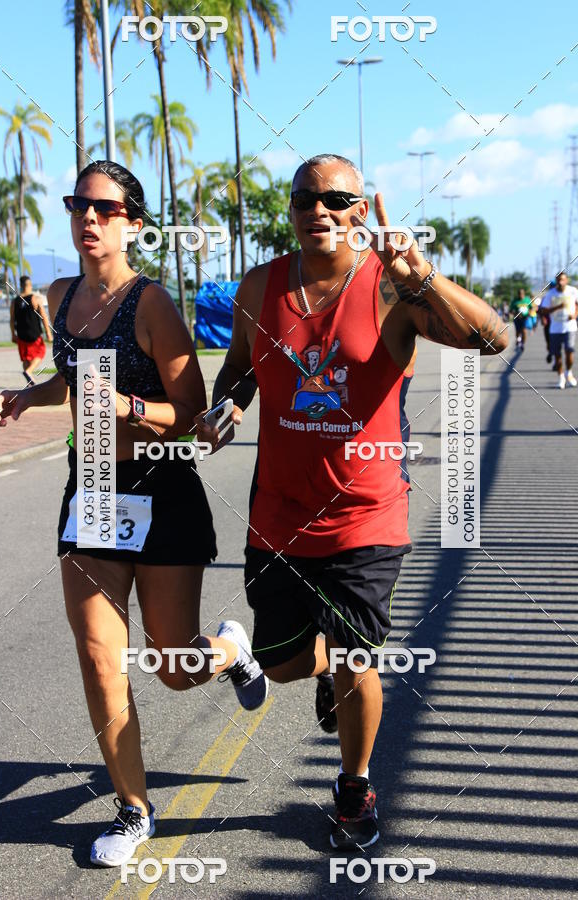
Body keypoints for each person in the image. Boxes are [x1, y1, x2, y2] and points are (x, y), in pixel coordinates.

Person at [196, 154, 508, 850]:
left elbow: (493, 338)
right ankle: (293, 662)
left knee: (357, 660)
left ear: (362, 210)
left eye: (337, 198)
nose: (320, 210)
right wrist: (227, 408)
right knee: (282, 663)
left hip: (366, 517)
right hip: (276, 515)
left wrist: (420, 274)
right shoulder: (261, 285)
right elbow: (239, 370)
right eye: (306, 198)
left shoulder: (393, 289)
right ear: (293, 209)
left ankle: (354, 788)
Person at [0, 160, 267, 868]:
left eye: (105, 209)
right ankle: (134, 809)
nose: (88, 218)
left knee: (173, 666)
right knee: (98, 659)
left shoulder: (152, 304)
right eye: (79, 204)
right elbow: (71, 378)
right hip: (94, 493)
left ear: (133, 226)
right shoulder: (57, 293)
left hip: (162, 489)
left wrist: (128, 407)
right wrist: (30, 397)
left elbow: (191, 411)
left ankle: (231, 649)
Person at [10, 275, 53, 384]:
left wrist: (13, 334)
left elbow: (11, 319)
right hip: (34, 333)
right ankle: (29, 371)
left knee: (26, 358)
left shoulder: (15, 301)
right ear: (29, 285)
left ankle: (28, 378)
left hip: (21, 334)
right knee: (41, 352)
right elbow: (43, 316)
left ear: (20, 285)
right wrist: (48, 332)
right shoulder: (35, 298)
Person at [539, 272, 578, 388]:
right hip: (555, 329)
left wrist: (575, 315)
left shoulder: (573, 291)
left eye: (563, 280)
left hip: (570, 327)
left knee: (569, 351)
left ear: (566, 280)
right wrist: (557, 307)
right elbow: (544, 311)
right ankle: (561, 378)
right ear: (556, 281)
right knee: (557, 355)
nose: (561, 282)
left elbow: (577, 305)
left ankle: (569, 372)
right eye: (558, 280)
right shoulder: (551, 294)